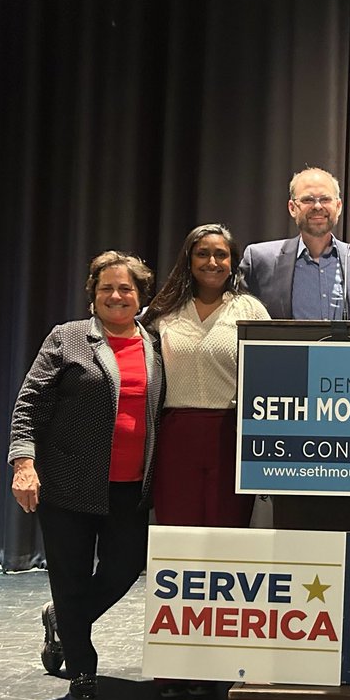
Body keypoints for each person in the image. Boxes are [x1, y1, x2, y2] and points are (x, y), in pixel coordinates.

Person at [8, 251, 164, 700]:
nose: (116, 296)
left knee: (122, 569)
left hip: (130, 488)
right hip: (68, 484)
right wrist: (24, 463)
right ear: (93, 295)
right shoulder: (68, 338)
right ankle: (82, 669)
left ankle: (63, 620)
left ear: (141, 295)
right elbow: (29, 404)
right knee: (71, 578)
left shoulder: (154, 342)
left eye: (126, 288)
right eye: (107, 288)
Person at [141, 224, 270, 527]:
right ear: (188, 260)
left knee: (227, 529)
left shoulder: (250, 310)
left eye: (221, 255)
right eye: (202, 254)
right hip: (176, 435)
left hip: (232, 435)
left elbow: (268, 374)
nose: (212, 262)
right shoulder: (164, 311)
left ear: (232, 262)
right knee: (177, 528)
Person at [238, 167, 350, 319]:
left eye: (325, 199)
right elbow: (231, 313)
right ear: (292, 208)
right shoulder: (260, 261)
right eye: (308, 200)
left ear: (338, 207)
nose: (318, 206)